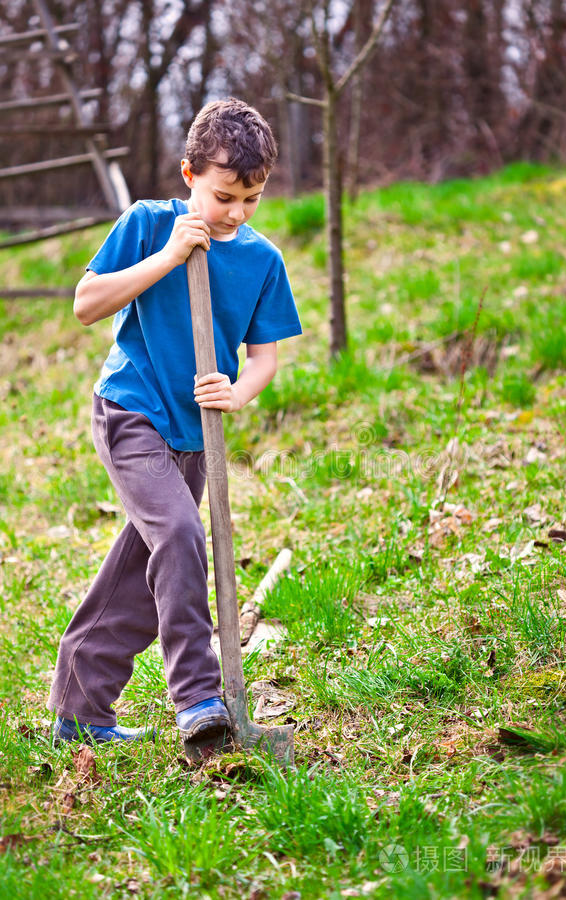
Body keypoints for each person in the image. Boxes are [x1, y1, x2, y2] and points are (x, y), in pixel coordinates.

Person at [47, 98, 302, 750]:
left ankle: (79, 709)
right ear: (190, 175)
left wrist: (237, 392)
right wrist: (168, 256)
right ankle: (198, 698)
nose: (236, 213)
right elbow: (85, 304)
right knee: (183, 535)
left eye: (251, 199)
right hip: (131, 411)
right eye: (223, 197)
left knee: (145, 571)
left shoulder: (262, 260)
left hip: (195, 436)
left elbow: (264, 358)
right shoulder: (147, 223)